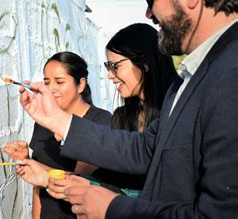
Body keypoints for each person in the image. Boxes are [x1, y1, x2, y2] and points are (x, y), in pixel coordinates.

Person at [18, 0, 238, 218]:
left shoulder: (230, 76)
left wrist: (112, 208)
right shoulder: (194, 76)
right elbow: (146, 150)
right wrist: (57, 119)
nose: (149, 13)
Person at [20, 24, 179, 199]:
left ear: (144, 63)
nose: (110, 75)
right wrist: (45, 177)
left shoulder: (177, 113)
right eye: (108, 67)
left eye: (115, 66)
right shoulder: (122, 118)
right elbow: (112, 185)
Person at [4, 52, 111, 218]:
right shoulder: (42, 121)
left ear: (81, 85)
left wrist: (39, 172)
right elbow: (37, 186)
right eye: (46, 82)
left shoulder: (100, 121)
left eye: (59, 82)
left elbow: (80, 179)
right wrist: (27, 160)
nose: (51, 88)